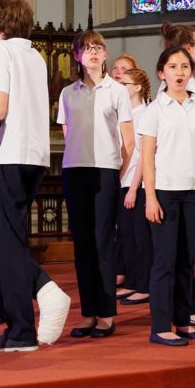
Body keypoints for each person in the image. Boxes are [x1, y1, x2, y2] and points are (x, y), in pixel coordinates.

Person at [0, 0, 71, 353]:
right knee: (7, 241)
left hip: (9, 154)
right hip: (34, 157)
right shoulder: (35, 56)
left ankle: (26, 323)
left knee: (8, 243)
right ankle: (25, 319)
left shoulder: (1, 51)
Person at [58, 31, 134, 339]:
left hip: (105, 171)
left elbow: (129, 142)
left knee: (102, 242)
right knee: (82, 244)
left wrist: (116, 174)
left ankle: (106, 315)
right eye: (86, 49)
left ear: (105, 54)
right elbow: (67, 134)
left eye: (97, 48)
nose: (92, 53)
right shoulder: (67, 93)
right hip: (75, 170)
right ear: (77, 56)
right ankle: (88, 313)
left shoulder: (117, 91)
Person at [140, 46, 195, 346]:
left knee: (187, 261)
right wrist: (150, 197)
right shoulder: (155, 109)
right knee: (165, 261)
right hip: (165, 191)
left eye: (185, 66)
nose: (179, 72)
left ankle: (183, 321)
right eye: (172, 67)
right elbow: (147, 157)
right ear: (161, 73)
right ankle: (161, 326)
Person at [116, 68, 153, 307]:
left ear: (137, 88)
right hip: (124, 180)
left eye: (125, 84)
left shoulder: (145, 113)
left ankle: (144, 285)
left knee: (141, 237)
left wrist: (133, 186)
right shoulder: (126, 112)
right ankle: (131, 281)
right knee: (127, 235)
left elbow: (142, 155)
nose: (122, 88)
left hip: (136, 183)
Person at [110, 53, 140, 299]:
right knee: (123, 233)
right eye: (116, 68)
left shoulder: (141, 111)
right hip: (120, 177)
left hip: (132, 179)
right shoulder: (116, 106)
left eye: (125, 70)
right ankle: (127, 276)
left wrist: (126, 181)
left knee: (136, 235)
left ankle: (138, 281)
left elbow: (136, 150)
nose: (118, 73)